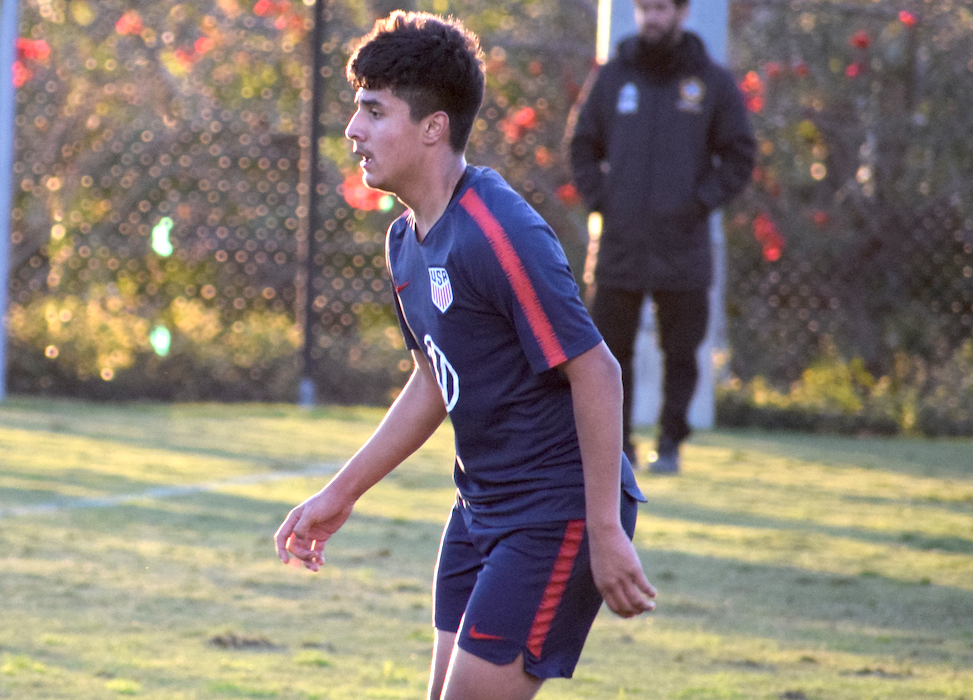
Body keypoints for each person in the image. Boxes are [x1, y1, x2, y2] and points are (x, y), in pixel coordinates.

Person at [275, 11, 657, 700]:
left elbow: (596, 368)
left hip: (554, 510)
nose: (352, 131)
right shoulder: (405, 242)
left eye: (372, 111)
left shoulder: (498, 230)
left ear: (433, 127)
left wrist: (604, 530)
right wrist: (341, 493)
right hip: (480, 508)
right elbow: (432, 376)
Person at [569, 0, 755, 474]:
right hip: (620, 243)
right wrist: (603, 200)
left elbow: (739, 154)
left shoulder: (711, 81)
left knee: (682, 350)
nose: (651, 18)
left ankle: (671, 441)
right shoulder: (612, 77)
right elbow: (581, 144)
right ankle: (620, 446)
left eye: (660, 9)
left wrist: (699, 203)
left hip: (684, 244)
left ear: (681, 13)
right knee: (610, 352)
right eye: (644, 8)